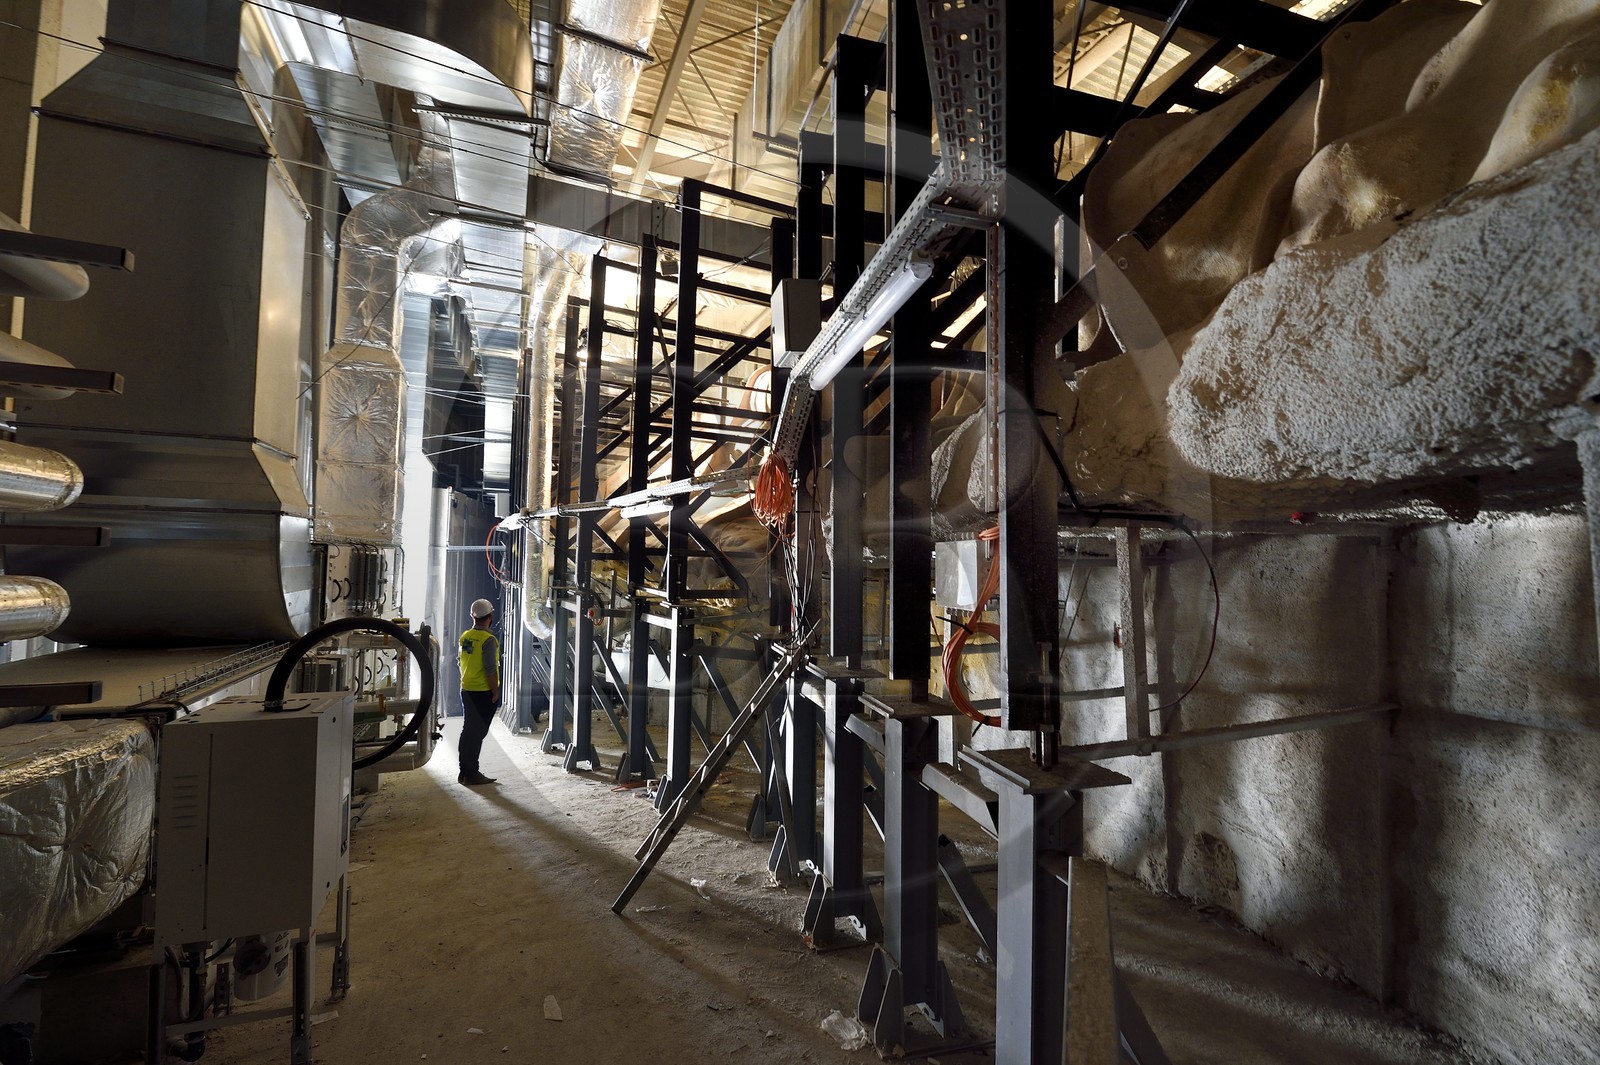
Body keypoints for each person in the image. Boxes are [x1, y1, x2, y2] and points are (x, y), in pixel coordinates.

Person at [456, 598, 500, 785]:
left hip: (467, 689)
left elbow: (461, 661)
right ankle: (471, 773)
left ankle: (464, 772)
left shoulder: (466, 636)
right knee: (476, 734)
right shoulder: (488, 640)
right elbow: (490, 669)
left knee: (468, 732)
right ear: (490, 617)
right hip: (482, 692)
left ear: (472, 616)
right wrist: (495, 692)